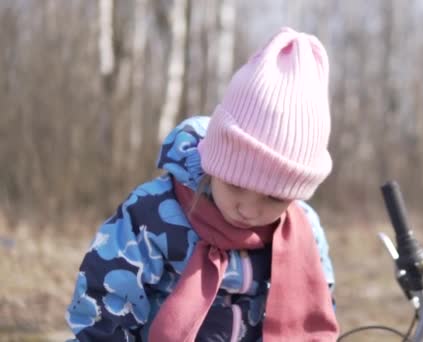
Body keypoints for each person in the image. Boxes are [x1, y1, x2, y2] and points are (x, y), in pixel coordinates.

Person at [65, 27, 339, 341]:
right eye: (235, 185)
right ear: (214, 161)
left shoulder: (305, 231)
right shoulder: (152, 215)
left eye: (274, 198)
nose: (248, 210)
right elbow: (106, 300)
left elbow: (319, 303)